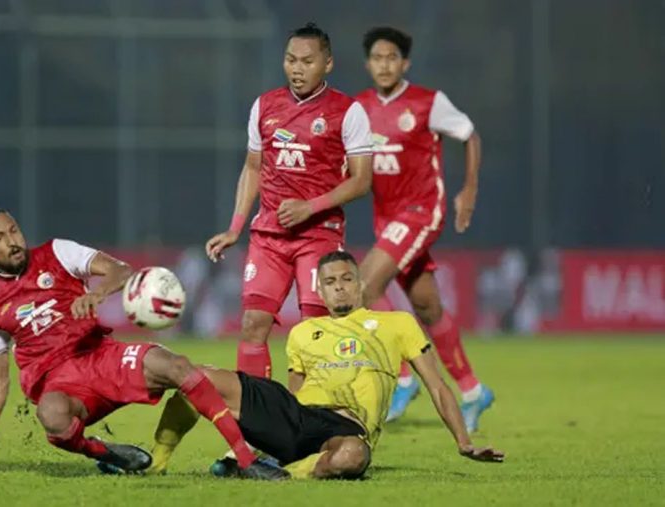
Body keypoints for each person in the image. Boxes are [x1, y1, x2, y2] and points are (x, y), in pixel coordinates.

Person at [0, 209, 287, 480]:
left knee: (176, 366)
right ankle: (106, 452)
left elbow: (121, 269)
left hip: (102, 357)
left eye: (13, 231)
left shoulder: (57, 252)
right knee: (52, 415)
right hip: (60, 384)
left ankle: (246, 459)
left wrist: (98, 293)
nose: (12, 242)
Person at [145, 251, 504, 479]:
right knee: (196, 378)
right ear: (320, 289)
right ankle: (157, 464)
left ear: (361, 284)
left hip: (344, 427)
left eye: (347, 279)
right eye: (331, 282)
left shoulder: (399, 323)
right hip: (296, 414)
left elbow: (437, 386)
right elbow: (295, 394)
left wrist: (464, 442)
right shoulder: (303, 332)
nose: (340, 288)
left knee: (353, 456)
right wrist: (263, 431)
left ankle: (279, 471)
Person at [206, 22, 374, 380]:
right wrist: (236, 227)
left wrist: (309, 207)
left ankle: (308, 419)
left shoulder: (348, 111)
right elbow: (253, 168)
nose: (297, 69)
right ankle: (258, 420)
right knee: (252, 323)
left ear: (327, 64)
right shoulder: (265, 106)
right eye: (291, 60)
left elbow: (361, 181)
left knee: (313, 332)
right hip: (269, 235)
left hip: (320, 235)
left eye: (307, 61)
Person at [354, 26, 493, 430]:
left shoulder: (428, 103)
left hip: (420, 210)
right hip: (388, 218)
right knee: (428, 306)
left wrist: (469, 189)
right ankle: (472, 391)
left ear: (405, 63)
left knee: (365, 286)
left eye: (392, 58)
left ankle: (402, 378)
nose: (384, 65)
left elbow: (469, 135)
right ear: (368, 64)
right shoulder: (360, 107)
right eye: (377, 58)